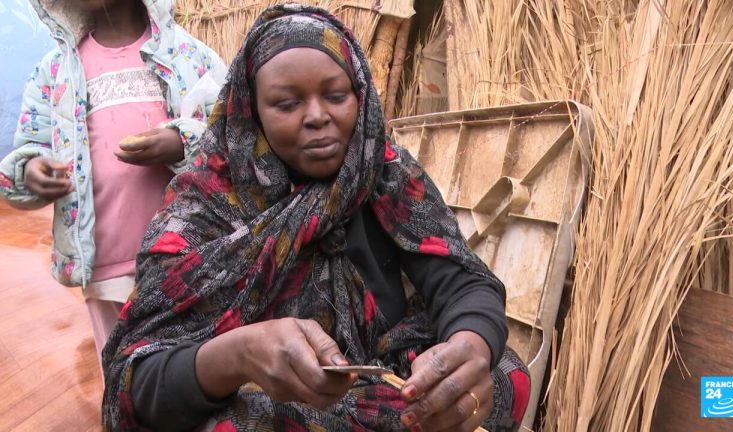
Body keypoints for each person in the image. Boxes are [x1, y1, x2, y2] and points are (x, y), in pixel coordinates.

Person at [102, 4, 530, 432]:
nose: (317, 116)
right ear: (250, 111)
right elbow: (137, 383)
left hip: (397, 389)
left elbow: (461, 280)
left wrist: (470, 348)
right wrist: (237, 355)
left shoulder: (383, 173)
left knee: (503, 375)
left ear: (359, 95)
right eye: (287, 103)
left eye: (336, 95)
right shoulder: (202, 208)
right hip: (278, 405)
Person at [0, 0, 224, 365]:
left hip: (184, 254)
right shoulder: (55, 72)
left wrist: (179, 142)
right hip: (105, 263)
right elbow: (32, 145)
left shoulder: (187, 56)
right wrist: (32, 170)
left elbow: (226, 132)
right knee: (123, 371)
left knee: (188, 365)